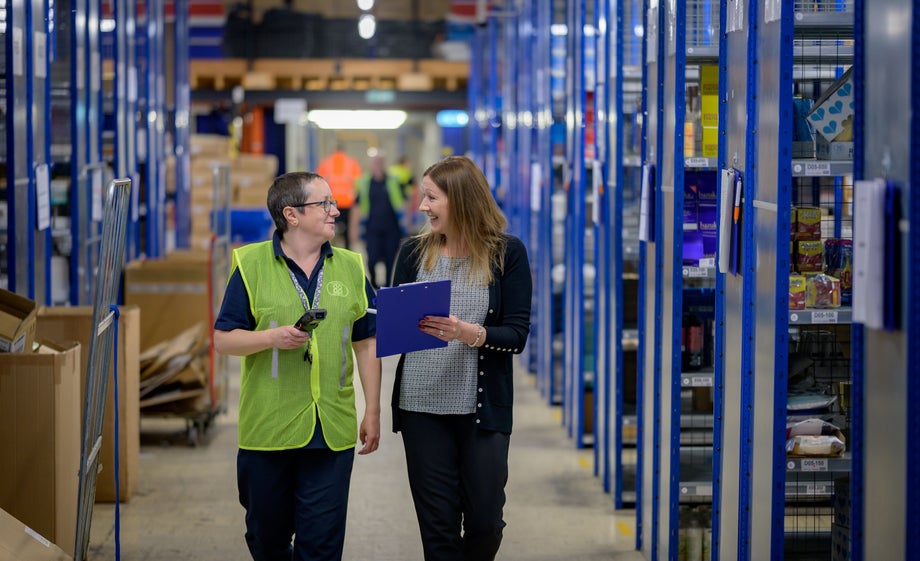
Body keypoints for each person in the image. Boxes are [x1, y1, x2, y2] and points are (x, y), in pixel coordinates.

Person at [213, 171, 381, 561]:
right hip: (268, 429)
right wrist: (270, 338)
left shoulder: (352, 267)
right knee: (267, 540)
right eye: (323, 204)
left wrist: (372, 410)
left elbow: (366, 341)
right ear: (291, 214)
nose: (335, 210)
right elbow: (223, 340)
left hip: (332, 429)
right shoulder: (250, 264)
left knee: (321, 546)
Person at [389, 155, 532, 561]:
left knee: (486, 523)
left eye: (431, 197)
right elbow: (399, 327)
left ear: (462, 199)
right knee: (438, 529)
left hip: (480, 411)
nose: (422, 207)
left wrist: (467, 333)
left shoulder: (508, 253)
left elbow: (517, 336)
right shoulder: (414, 253)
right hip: (421, 407)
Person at [350, 154, 408, 287]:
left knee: (390, 260)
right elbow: (357, 207)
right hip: (372, 228)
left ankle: (387, 287)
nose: (377, 164)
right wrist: (353, 229)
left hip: (392, 228)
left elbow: (404, 203)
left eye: (380, 162)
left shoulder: (393, 181)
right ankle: (375, 282)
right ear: (370, 164)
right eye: (375, 162)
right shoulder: (365, 183)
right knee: (371, 259)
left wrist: (407, 225)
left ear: (384, 163)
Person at [316, 145, 362, 249]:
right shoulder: (352, 163)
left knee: (330, 230)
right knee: (347, 233)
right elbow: (358, 183)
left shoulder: (325, 162)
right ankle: (346, 252)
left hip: (331, 203)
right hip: (348, 202)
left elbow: (318, 182)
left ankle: (329, 251)